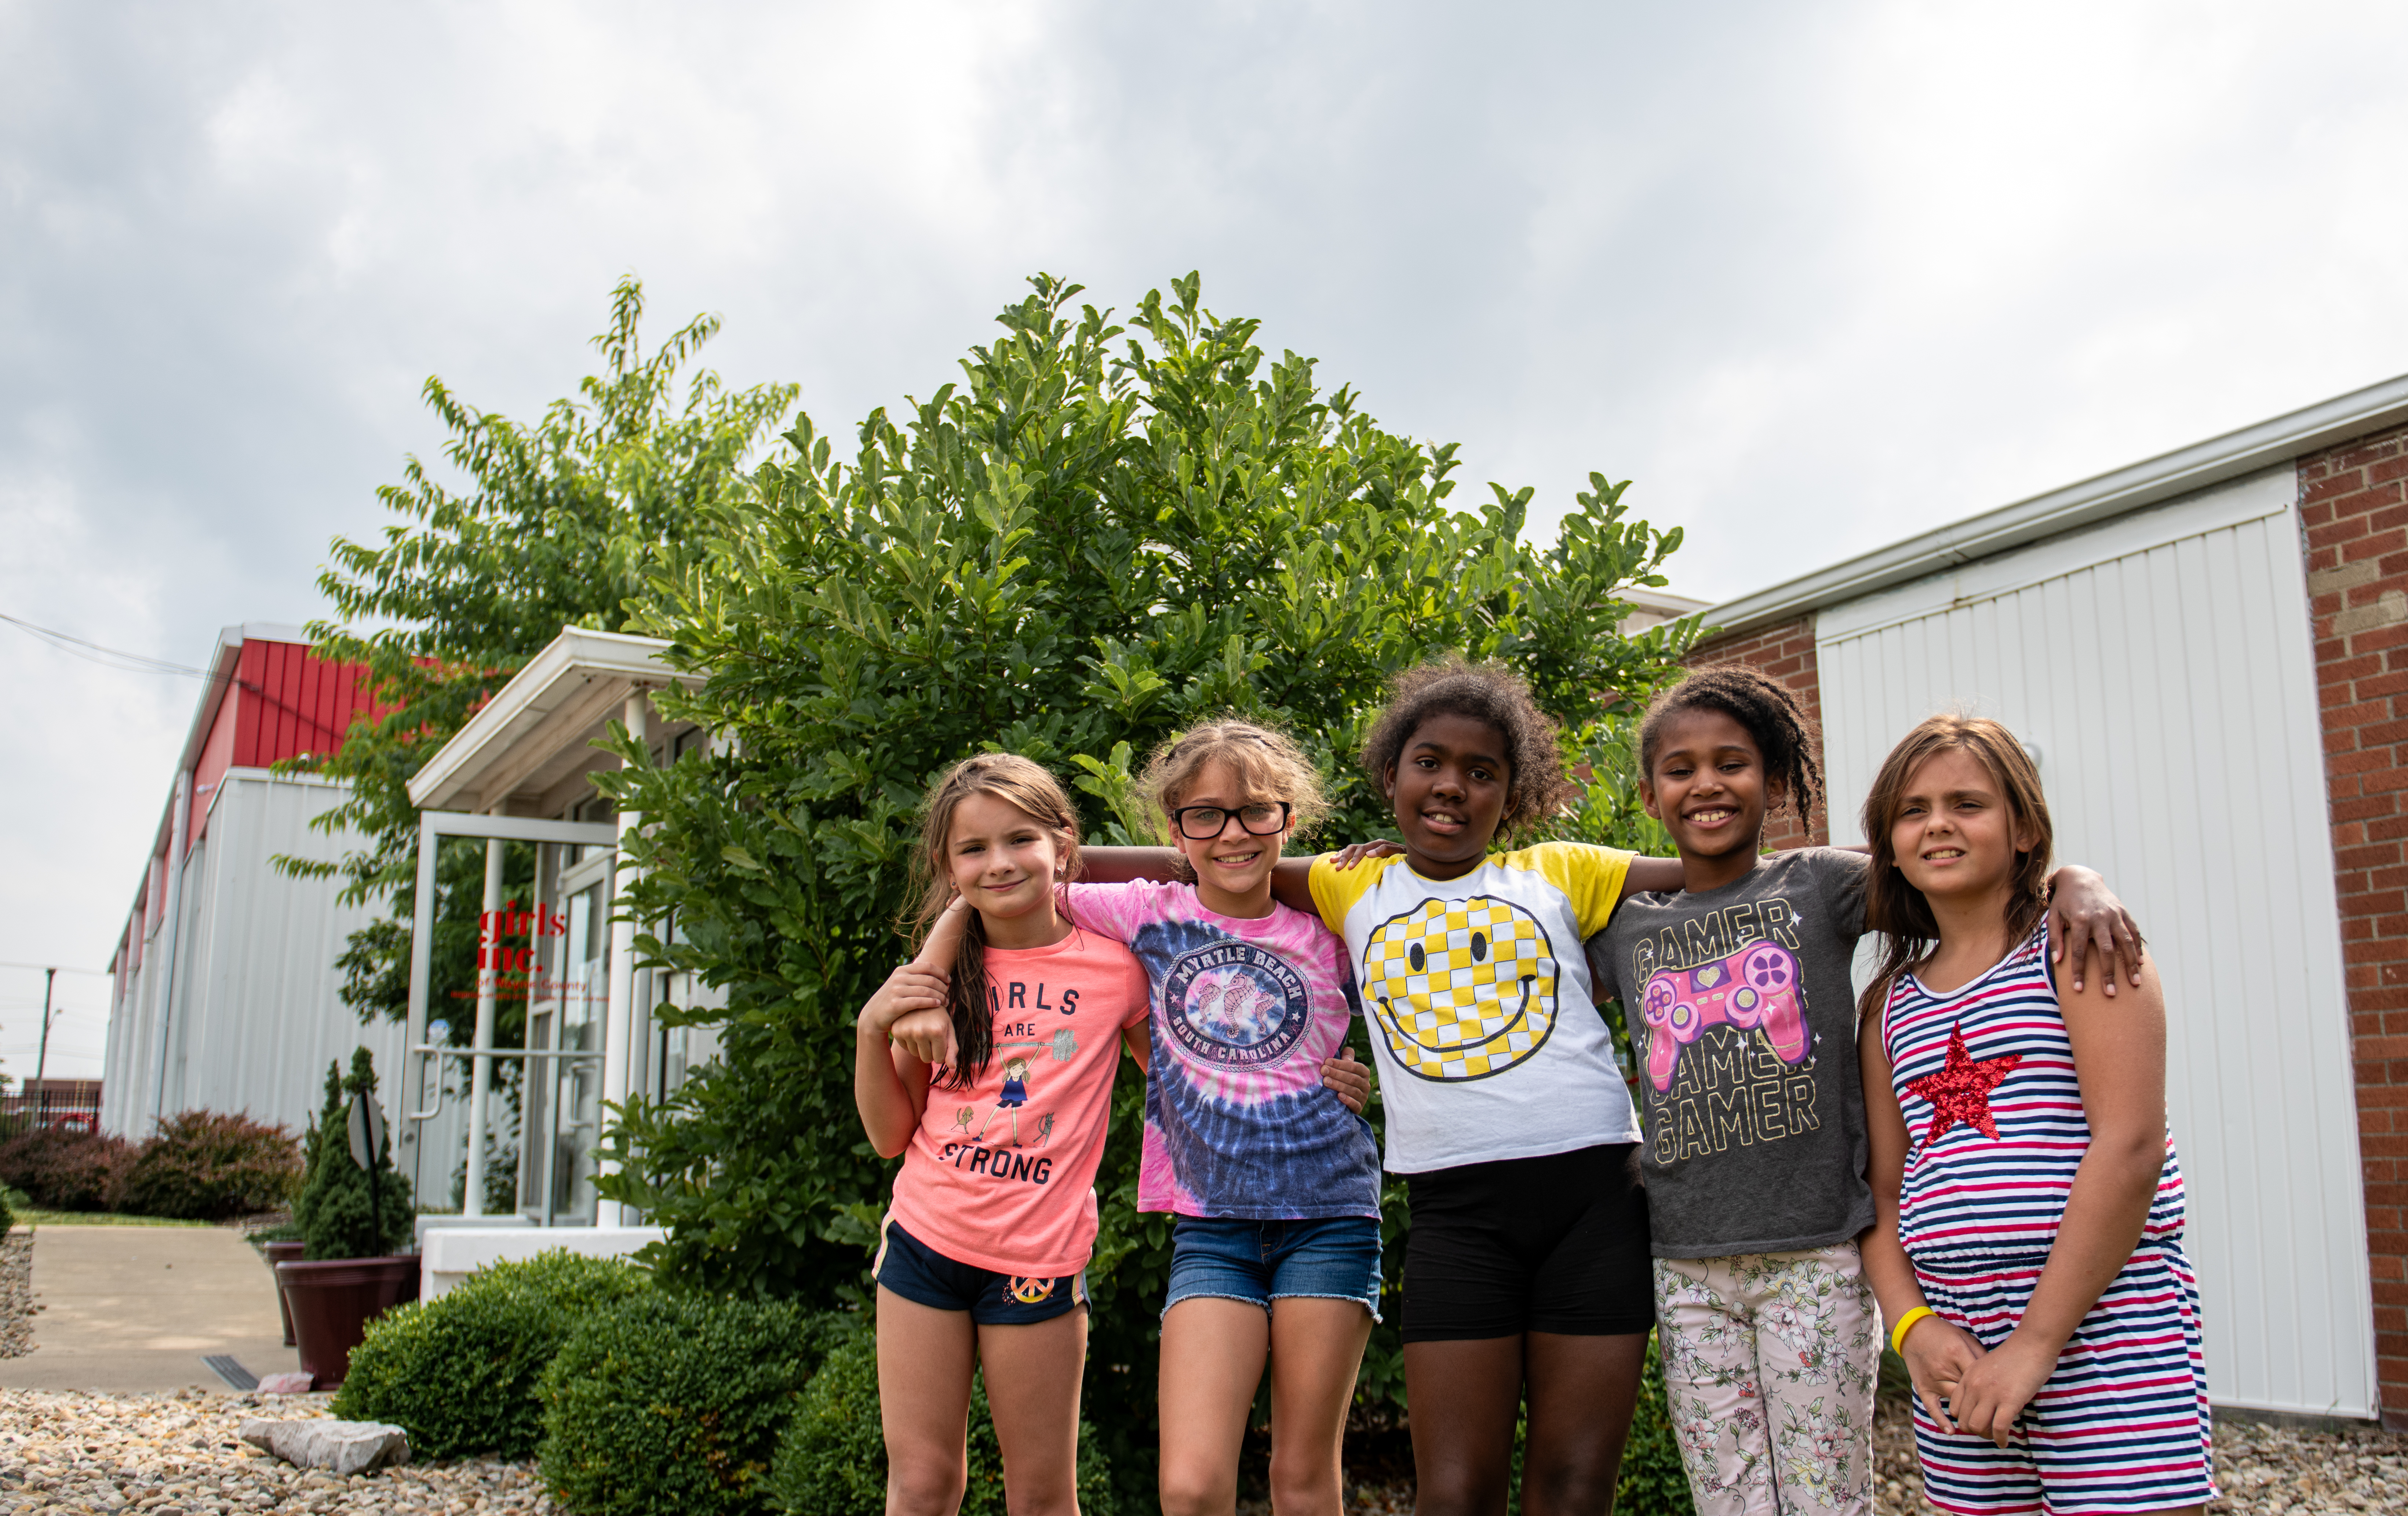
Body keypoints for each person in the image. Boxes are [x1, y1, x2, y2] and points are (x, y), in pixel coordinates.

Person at [1582, 668, 2142, 1516]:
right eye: (1680, 767)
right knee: (1727, 1498)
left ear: (1774, 781)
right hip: (1687, 1260)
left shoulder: (1814, 883)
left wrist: (2077, 879)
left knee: (1822, 1497)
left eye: (1732, 762)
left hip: (1818, 1251)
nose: (1706, 783)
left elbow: (1949, 861)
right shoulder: (1627, 927)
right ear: (1650, 790)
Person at [1856, 715, 2211, 1515]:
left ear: (2024, 827)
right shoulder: (1885, 1006)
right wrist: (1913, 1327)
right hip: (1956, 1337)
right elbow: (1880, 1189)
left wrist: (2035, 1345)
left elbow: (2131, 1146)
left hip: (2103, 1325)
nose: (1938, 823)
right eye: (1912, 810)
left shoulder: (2084, 947)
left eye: (1966, 803)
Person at [1059, 720, 1383, 1516]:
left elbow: (1430, 990)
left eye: (1256, 811)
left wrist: (1375, 1083)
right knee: (1192, 1485)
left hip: (1331, 1212)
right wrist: (926, 968)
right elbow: (1020, 877)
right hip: (1213, 1226)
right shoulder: (1148, 911)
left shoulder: (1333, 919)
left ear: (1289, 819)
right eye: (1205, 815)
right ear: (1174, 829)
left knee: (1303, 1480)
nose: (1233, 833)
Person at [853, 754, 1151, 1516]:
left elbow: (1182, 1086)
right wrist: (870, 1028)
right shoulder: (935, 979)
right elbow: (890, 1135)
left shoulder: (1117, 971)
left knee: (1044, 1497)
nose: (1000, 862)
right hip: (925, 1244)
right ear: (948, 866)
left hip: (1038, 1262)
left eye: (1020, 838)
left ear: (1063, 842)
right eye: (973, 848)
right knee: (922, 1486)